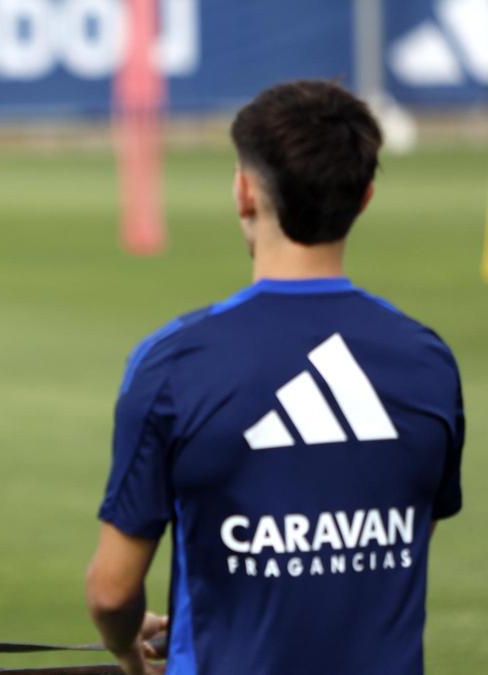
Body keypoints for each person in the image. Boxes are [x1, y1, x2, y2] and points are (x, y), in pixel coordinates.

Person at [84, 80, 464, 675]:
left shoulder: (174, 363)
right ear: (363, 197)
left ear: (243, 192)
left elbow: (110, 591)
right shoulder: (427, 361)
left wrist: (128, 649)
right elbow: (411, 533)